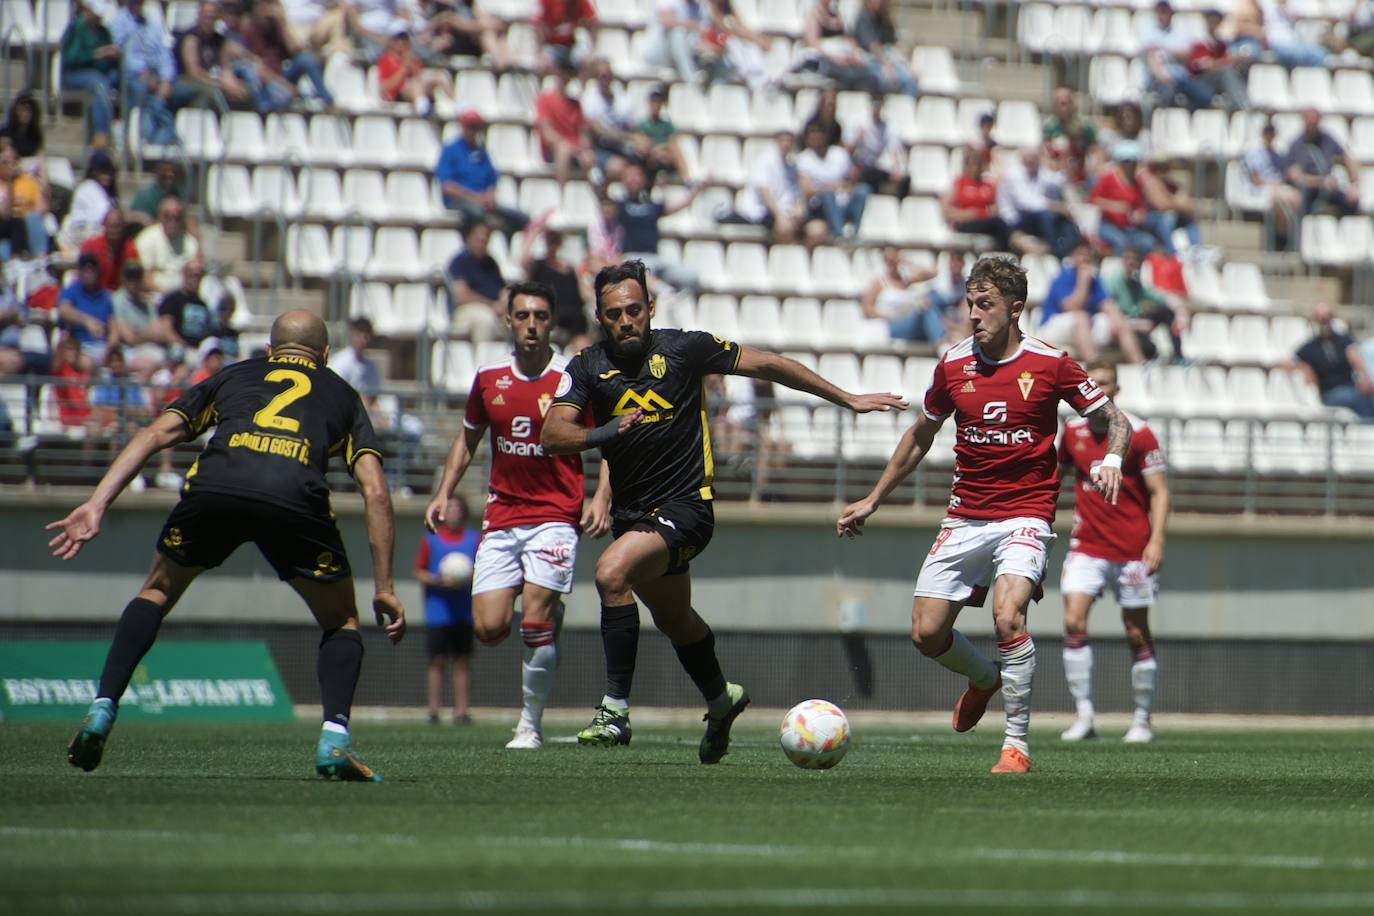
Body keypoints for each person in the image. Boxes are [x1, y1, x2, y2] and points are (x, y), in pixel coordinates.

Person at [541, 260, 905, 759]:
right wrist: (605, 432)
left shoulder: (684, 349)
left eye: (633, 310)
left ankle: (614, 711)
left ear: (650, 307)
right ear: (600, 318)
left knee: (609, 573)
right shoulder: (585, 366)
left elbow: (770, 363)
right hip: (634, 517)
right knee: (676, 621)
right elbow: (552, 433)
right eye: (613, 314)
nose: (626, 321)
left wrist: (846, 398)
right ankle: (721, 697)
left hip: (688, 508)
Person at [54, 310, 405, 780]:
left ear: (269, 351)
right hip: (293, 495)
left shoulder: (235, 374)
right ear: (324, 356)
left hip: (218, 486)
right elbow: (376, 491)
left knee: (157, 590)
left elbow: (155, 433)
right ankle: (334, 740)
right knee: (341, 619)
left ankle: (103, 707)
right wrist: (385, 585)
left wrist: (96, 504)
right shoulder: (341, 392)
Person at [836, 256, 1131, 774]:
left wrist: (1111, 458)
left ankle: (1016, 746)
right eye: (970, 303)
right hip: (966, 516)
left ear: (1015, 309)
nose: (974, 314)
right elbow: (920, 436)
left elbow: (1115, 420)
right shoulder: (953, 364)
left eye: (985, 304)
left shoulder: (1051, 363)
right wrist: (874, 497)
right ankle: (984, 677)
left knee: (1007, 614)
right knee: (926, 634)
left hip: (1026, 514)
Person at [427, 281, 612, 747]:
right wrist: (444, 492)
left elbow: (607, 440)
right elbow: (467, 440)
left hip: (555, 514)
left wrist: (601, 496)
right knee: (489, 629)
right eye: (523, 316)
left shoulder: (572, 378)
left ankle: (528, 723)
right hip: (502, 516)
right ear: (508, 321)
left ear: (551, 323)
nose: (532, 325)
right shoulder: (489, 379)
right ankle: (550, 610)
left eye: (541, 317)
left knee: (533, 624)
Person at [1058, 361, 1169, 745]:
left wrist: (1156, 541)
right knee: (1074, 621)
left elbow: (1160, 492)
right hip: (1086, 545)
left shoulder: (1139, 433)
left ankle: (1142, 718)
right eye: (1092, 384)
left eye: (1104, 384)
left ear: (1117, 390)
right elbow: (1056, 480)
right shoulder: (1071, 430)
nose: (1097, 391)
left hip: (1133, 549)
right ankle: (1084, 715)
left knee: (1136, 630)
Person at [415, 494, 479, 725]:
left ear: (463, 512)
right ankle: (433, 710)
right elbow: (419, 571)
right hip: (438, 610)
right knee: (437, 660)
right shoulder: (431, 539)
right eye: (449, 509)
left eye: (457, 509)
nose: (453, 513)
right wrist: (439, 580)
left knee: (462, 660)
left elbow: (483, 569)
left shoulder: (474, 539)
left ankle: (462, 710)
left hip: (464, 610)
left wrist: (467, 578)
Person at [1037, 242, 1143, 365]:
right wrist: (1083, 281)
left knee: (1121, 323)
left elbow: (1107, 304)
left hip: (1083, 326)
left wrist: (1117, 322)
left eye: (1088, 255)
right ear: (1073, 257)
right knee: (1081, 317)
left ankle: (1140, 366)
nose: (1084, 258)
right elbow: (1072, 307)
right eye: (1080, 254)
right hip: (1052, 327)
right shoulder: (1064, 276)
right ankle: (1095, 369)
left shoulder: (1095, 280)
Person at [436, 110, 529, 236]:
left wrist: (490, 195)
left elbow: (492, 179)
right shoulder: (450, 151)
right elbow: (447, 187)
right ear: (462, 127)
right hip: (459, 201)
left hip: (483, 202)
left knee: (522, 218)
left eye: (475, 127)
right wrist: (475, 198)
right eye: (469, 126)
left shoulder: (482, 153)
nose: (472, 131)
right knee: (478, 213)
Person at [614, 162, 704, 293]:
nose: (634, 179)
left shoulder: (652, 206)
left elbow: (679, 205)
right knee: (639, 272)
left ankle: (673, 298)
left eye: (637, 175)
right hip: (631, 256)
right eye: (629, 175)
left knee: (691, 278)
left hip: (655, 257)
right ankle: (666, 293)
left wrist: (696, 190)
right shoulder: (618, 205)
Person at [236, 0, 334, 109]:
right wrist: (286, 86)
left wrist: (283, 23)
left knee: (306, 59)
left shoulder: (276, 26)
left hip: (281, 75)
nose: (267, 12)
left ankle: (326, 99)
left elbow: (297, 50)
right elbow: (257, 69)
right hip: (262, 80)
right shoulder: (248, 28)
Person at [110, 0, 179, 146]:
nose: (138, 5)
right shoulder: (119, 22)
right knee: (141, 90)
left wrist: (166, 79)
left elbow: (164, 55)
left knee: (178, 92)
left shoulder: (153, 26)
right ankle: (150, 133)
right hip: (131, 74)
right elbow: (123, 54)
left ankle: (152, 138)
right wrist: (144, 73)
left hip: (156, 75)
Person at [1103, 246, 1185, 362]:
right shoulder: (1112, 281)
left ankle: (1179, 355)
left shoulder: (1136, 284)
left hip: (1136, 320)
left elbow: (1163, 297)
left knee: (1167, 312)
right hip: (1122, 325)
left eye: (1135, 259)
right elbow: (1109, 311)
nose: (1131, 262)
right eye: (1127, 258)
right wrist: (1136, 324)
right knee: (1149, 349)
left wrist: (1181, 312)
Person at [1295, 303, 1374, 419]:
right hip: (1329, 393)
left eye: (1328, 317)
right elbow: (1288, 362)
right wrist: (1304, 367)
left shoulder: (1344, 340)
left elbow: (1355, 358)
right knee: (1359, 398)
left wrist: (1364, 376)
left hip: (1350, 387)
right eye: (1321, 318)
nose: (1324, 321)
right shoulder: (1308, 348)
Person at [60, 1, 121, 148]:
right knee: (97, 83)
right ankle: (101, 133)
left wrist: (114, 56)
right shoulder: (76, 29)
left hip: (100, 73)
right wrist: (96, 54)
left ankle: (122, 131)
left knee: (119, 79)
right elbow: (70, 59)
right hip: (74, 75)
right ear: (87, 10)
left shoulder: (103, 31)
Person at [997, 147, 1078, 258]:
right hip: (1015, 220)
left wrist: (1062, 165)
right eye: (1029, 157)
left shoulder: (1039, 171)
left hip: (1035, 217)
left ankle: (1072, 249)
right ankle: (1056, 253)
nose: (1031, 161)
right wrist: (1055, 207)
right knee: (1046, 215)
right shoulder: (1013, 174)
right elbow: (1026, 203)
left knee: (1066, 217)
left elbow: (1058, 180)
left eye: (1034, 158)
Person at [521, 225, 591, 345]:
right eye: (549, 241)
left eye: (555, 241)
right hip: (551, 317)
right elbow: (523, 260)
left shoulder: (570, 269)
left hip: (574, 318)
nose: (552, 245)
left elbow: (584, 294)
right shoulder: (539, 266)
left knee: (583, 342)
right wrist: (535, 232)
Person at [798, 121, 868, 243]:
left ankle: (855, 231)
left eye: (819, 136)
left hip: (842, 200)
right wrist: (830, 187)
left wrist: (848, 185)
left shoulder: (840, 154)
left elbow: (850, 180)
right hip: (819, 205)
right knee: (827, 196)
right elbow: (807, 190)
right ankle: (839, 234)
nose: (817, 140)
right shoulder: (804, 158)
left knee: (862, 190)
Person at [1285, 108, 1360, 219]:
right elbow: (1294, 176)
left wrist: (1354, 185)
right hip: (1308, 189)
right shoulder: (1296, 145)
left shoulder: (1328, 140)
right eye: (1310, 121)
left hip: (1328, 188)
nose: (1312, 124)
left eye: (1315, 121)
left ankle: (1344, 232)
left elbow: (1348, 159)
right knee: (1302, 201)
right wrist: (1320, 181)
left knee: (1351, 202)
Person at [732, 129, 804, 244]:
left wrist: (798, 212)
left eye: (789, 141)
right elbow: (765, 192)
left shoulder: (792, 166)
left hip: (785, 213)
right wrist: (780, 216)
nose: (786, 144)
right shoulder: (764, 161)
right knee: (785, 228)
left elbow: (796, 195)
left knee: (816, 229)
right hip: (762, 212)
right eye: (783, 141)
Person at [860, 245, 943, 343]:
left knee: (928, 304)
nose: (892, 264)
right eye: (888, 261)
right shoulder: (879, 281)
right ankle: (942, 343)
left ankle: (941, 341)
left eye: (895, 260)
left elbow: (933, 273)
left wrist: (907, 262)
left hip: (909, 321)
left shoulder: (906, 280)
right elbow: (867, 309)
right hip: (891, 324)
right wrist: (888, 315)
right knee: (924, 311)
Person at [1138, 1, 1212, 111]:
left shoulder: (1180, 31)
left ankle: (1189, 118)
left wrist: (1165, 48)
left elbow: (1187, 55)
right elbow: (1151, 56)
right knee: (1167, 96)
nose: (1162, 15)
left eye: (1165, 12)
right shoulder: (1148, 30)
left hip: (1181, 77)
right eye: (1160, 12)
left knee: (1205, 96)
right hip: (1159, 79)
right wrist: (1162, 76)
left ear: (1171, 14)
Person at [534, 60, 597, 187]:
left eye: (569, 73)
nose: (566, 76)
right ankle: (560, 194)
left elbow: (582, 133)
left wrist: (585, 149)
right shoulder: (544, 99)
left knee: (590, 157)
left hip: (576, 151)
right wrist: (571, 147)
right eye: (563, 72)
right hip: (556, 150)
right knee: (563, 149)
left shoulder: (576, 104)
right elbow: (547, 133)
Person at [1242, 120, 1301, 248]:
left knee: (1296, 197)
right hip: (1259, 189)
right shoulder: (1254, 152)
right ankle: (1280, 237)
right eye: (1267, 133)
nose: (1270, 136)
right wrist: (1272, 185)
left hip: (1276, 187)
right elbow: (1255, 178)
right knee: (1280, 199)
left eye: (1272, 133)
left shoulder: (1277, 154)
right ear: (1262, 134)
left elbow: (1283, 174)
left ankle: (1285, 233)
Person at [448, 221, 507, 341]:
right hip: (467, 310)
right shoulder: (460, 261)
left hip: (493, 309)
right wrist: (491, 305)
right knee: (485, 321)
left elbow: (502, 289)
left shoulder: (491, 263)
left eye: (486, 235)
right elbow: (461, 296)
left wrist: (504, 303)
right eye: (478, 235)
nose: (482, 238)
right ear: (469, 238)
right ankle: (483, 358)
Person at [942, 148, 1010, 252]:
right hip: (966, 223)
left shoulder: (987, 185)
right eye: (971, 164)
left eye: (977, 164)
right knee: (999, 224)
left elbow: (995, 207)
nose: (975, 168)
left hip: (985, 222)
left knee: (1001, 223)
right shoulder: (959, 184)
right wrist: (967, 214)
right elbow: (947, 211)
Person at [845, 90, 909, 199]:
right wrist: (857, 140)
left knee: (905, 179)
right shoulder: (857, 121)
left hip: (875, 167)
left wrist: (898, 170)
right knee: (869, 173)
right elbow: (846, 152)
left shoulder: (889, 126)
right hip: (856, 164)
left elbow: (895, 150)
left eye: (879, 104)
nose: (877, 108)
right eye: (875, 104)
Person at [376, 28, 454, 115]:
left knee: (440, 75)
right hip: (398, 94)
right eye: (398, 41)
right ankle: (422, 107)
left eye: (405, 41)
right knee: (412, 84)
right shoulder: (386, 61)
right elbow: (385, 87)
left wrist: (411, 66)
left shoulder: (411, 58)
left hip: (417, 89)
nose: (402, 44)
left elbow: (419, 77)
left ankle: (454, 104)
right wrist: (403, 70)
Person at [58, 252, 115, 371]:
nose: (89, 272)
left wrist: (109, 349)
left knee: (143, 363)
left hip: (104, 347)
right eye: (85, 269)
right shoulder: (71, 291)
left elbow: (113, 327)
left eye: (92, 269)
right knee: (87, 363)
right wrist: (87, 321)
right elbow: (64, 310)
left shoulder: (105, 296)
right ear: (79, 271)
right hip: (82, 346)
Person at [852, 0, 918, 97]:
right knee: (886, 80)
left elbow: (895, 42)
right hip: (870, 61)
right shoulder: (864, 18)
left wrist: (908, 65)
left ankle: (906, 108)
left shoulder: (885, 19)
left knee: (910, 80)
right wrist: (886, 65)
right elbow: (872, 46)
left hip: (889, 60)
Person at [136, 196, 201, 294]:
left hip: (184, 294)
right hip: (155, 295)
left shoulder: (190, 243)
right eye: (167, 216)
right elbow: (145, 279)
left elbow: (195, 275)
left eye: (177, 217)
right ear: (160, 217)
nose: (172, 220)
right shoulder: (146, 239)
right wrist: (167, 297)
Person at [1187, 7, 1248, 111]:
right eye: (1211, 21)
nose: (1213, 24)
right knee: (1225, 72)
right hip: (1200, 83)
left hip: (1215, 81)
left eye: (1216, 21)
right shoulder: (1199, 41)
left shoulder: (1220, 43)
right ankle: (1242, 102)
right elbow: (1205, 66)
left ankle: (1239, 101)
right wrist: (1231, 60)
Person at [60, 149, 119, 253]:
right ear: (94, 171)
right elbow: (103, 217)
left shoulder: (107, 193)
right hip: (82, 235)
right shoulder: (88, 187)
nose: (107, 176)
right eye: (103, 171)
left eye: (109, 171)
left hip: (95, 232)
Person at [1042, 84, 1098, 186]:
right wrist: (1057, 166)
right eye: (1059, 102)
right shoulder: (1049, 127)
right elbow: (1044, 155)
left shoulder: (1085, 125)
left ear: (1072, 103)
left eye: (1065, 103)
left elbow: (1095, 150)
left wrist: (1093, 165)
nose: (1062, 106)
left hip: (1082, 169)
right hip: (1058, 171)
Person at [0, 144, 48, 259]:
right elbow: (4, 214)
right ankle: (16, 262)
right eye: (6, 162)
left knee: (32, 219)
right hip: (5, 225)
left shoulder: (28, 181)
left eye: (14, 160)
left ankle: (40, 259)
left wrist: (26, 215)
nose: (11, 165)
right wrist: (10, 184)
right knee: (15, 224)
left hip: (26, 222)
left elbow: (42, 208)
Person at [155, 256, 214, 350]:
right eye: (192, 274)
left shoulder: (203, 304)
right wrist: (182, 346)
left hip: (199, 352)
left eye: (198, 275)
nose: (195, 279)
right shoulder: (173, 299)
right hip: (178, 349)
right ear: (184, 274)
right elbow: (165, 328)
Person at [647, 0, 709, 83]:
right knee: (678, 33)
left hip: (681, 55)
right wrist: (692, 26)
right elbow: (667, 21)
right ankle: (691, 79)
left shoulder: (698, 7)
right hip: (657, 54)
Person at [80, 208, 138, 292]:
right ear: (104, 226)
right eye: (111, 226)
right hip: (94, 293)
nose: (114, 230)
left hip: (120, 296)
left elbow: (133, 278)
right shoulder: (91, 246)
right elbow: (82, 274)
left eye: (117, 226)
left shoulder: (129, 248)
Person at [536, 0, 597, 73]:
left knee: (585, 62)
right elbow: (538, 25)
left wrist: (591, 52)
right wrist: (540, 52)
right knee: (544, 64)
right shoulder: (547, 1)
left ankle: (582, 84)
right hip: (553, 46)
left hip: (574, 45)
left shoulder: (579, 2)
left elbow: (593, 21)